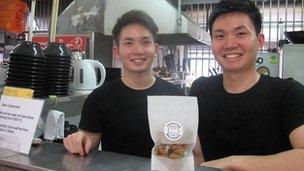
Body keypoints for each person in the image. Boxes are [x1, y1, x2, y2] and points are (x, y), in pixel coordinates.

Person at [190, 0, 304, 170]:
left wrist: (232, 162)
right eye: (220, 36)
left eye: (241, 34)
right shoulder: (200, 89)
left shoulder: (288, 93)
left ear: (260, 40)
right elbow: (195, 153)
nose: (229, 44)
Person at [63, 10, 185, 158]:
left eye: (146, 42)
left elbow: (184, 150)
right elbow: (86, 145)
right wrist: (77, 141)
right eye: (128, 43)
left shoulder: (176, 97)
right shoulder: (99, 99)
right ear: (117, 52)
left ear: (156, 49)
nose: (138, 50)